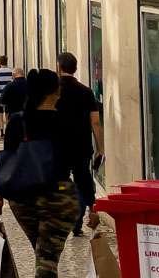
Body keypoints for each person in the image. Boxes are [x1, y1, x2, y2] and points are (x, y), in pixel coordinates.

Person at [0, 69, 95, 278]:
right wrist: (92, 205)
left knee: (42, 252)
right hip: (57, 196)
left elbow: (7, 161)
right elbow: (81, 166)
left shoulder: (18, 121)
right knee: (47, 256)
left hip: (22, 199)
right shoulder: (68, 122)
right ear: (56, 91)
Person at [56, 51, 105, 235]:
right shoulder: (86, 91)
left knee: (61, 182)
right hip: (82, 146)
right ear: (75, 69)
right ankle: (81, 218)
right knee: (83, 181)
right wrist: (101, 148)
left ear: (59, 68)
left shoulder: (53, 91)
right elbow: (95, 122)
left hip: (59, 148)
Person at [0, 55, 16, 135]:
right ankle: (8, 130)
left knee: (0, 113)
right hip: (9, 95)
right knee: (8, 113)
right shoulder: (11, 71)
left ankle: (2, 132)